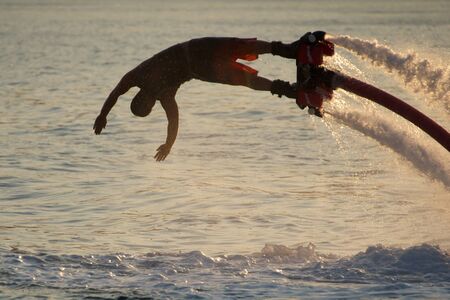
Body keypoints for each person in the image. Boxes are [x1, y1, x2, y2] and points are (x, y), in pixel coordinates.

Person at [93, 33, 328, 161]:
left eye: (142, 102)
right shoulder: (164, 96)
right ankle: (291, 90)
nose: (148, 101)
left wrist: (103, 115)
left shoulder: (137, 76)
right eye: (148, 106)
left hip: (193, 50)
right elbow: (173, 122)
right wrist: (169, 144)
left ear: (139, 96)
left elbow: (115, 93)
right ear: (152, 105)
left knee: (238, 45)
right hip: (199, 68)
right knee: (242, 80)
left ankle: (289, 50)